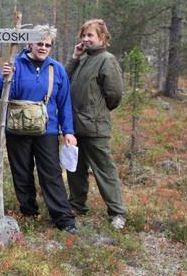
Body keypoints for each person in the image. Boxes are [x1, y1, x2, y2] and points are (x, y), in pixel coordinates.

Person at [0, 25, 78, 234]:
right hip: (17, 129)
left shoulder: (56, 69)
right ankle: (28, 211)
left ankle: (64, 218)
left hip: (46, 131)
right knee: (21, 172)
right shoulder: (14, 64)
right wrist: (5, 78)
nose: (44, 47)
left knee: (51, 173)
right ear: (30, 43)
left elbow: (64, 102)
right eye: (40, 43)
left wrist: (68, 131)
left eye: (48, 45)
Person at [66, 19, 126, 230]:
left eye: (90, 35)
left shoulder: (106, 60)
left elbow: (115, 94)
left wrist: (97, 111)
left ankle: (117, 212)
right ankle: (76, 204)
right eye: (83, 35)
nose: (85, 39)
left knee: (104, 170)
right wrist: (74, 58)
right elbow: (64, 79)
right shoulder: (82, 59)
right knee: (75, 168)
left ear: (102, 38)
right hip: (74, 126)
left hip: (95, 127)